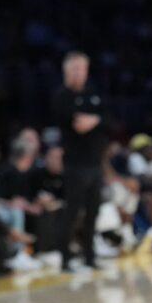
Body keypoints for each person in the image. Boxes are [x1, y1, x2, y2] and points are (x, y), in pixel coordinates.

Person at [51, 51, 104, 271]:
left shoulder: (93, 93)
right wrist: (95, 119)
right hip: (75, 164)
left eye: (82, 68)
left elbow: (105, 117)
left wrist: (95, 119)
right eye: (75, 68)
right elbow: (79, 123)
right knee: (72, 212)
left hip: (95, 163)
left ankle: (89, 256)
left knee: (93, 211)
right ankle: (65, 258)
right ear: (66, 71)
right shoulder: (61, 96)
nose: (79, 73)